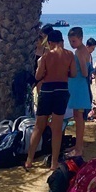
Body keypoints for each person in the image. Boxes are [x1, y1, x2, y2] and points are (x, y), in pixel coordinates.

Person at [24, 30, 75, 171]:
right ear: (61, 41)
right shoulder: (69, 55)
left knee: (39, 126)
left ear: (51, 42)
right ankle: (53, 163)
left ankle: (29, 160)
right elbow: (74, 73)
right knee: (57, 129)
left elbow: (38, 75)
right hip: (62, 90)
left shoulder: (46, 56)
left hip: (47, 90)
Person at [67, 26, 91, 156]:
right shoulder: (84, 50)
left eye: (74, 41)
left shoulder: (79, 52)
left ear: (81, 39)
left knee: (79, 117)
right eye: (70, 41)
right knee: (78, 117)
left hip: (78, 87)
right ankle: (78, 146)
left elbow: (85, 72)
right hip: (79, 86)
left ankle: (79, 148)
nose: (72, 43)